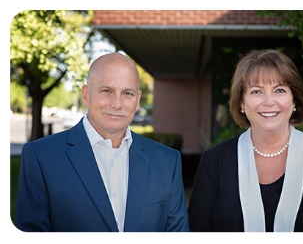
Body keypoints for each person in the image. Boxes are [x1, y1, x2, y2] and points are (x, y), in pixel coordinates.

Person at [16, 53, 189, 232]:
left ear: (137, 101)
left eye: (127, 93)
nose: (116, 103)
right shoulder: (40, 157)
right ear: (86, 95)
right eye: (107, 91)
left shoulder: (167, 161)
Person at [188, 49, 303, 232]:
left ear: (294, 101)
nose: (269, 101)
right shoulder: (214, 162)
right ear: (241, 103)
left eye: (280, 90)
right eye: (256, 91)